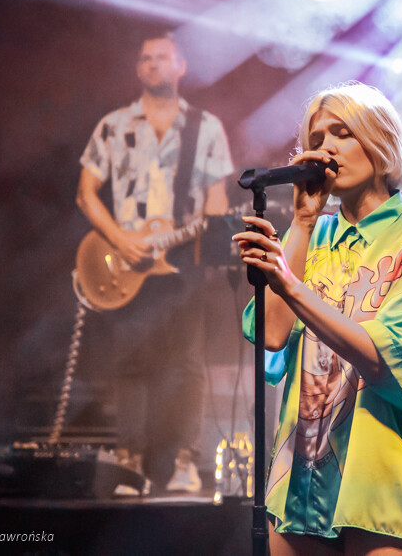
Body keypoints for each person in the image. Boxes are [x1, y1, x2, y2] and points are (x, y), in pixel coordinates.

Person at [233, 82, 402, 554]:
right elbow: (271, 334)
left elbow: (381, 360)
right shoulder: (311, 234)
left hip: (380, 478)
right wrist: (302, 224)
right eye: (316, 139)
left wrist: (290, 284)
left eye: (342, 133)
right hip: (298, 481)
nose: (326, 148)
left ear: (381, 143)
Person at [77, 32, 234, 494]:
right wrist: (120, 240)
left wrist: (214, 230)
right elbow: (86, 193)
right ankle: (130, 463)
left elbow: (217, 200)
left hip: (183, 262)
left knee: (186, 364)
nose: (152, 64)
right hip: (126, 262)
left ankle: (184, 461)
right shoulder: (113, 125)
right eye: (145, 58)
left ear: (180, 65)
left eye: (162, 57)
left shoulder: (205, 127)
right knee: (130, 362)